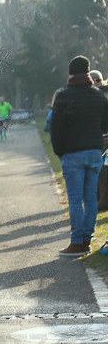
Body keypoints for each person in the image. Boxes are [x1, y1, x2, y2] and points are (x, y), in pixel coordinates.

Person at [51, 55, 108, 256]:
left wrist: (59, 152)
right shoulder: (99, 96)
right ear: (88, 71)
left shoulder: (64, 96)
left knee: (75, 199)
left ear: (70, 73)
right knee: (91, 198)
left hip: (73, 153)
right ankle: (87, 240)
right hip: (94, 152)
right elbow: (105, 125)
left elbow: (56, 129)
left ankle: (76, 242)